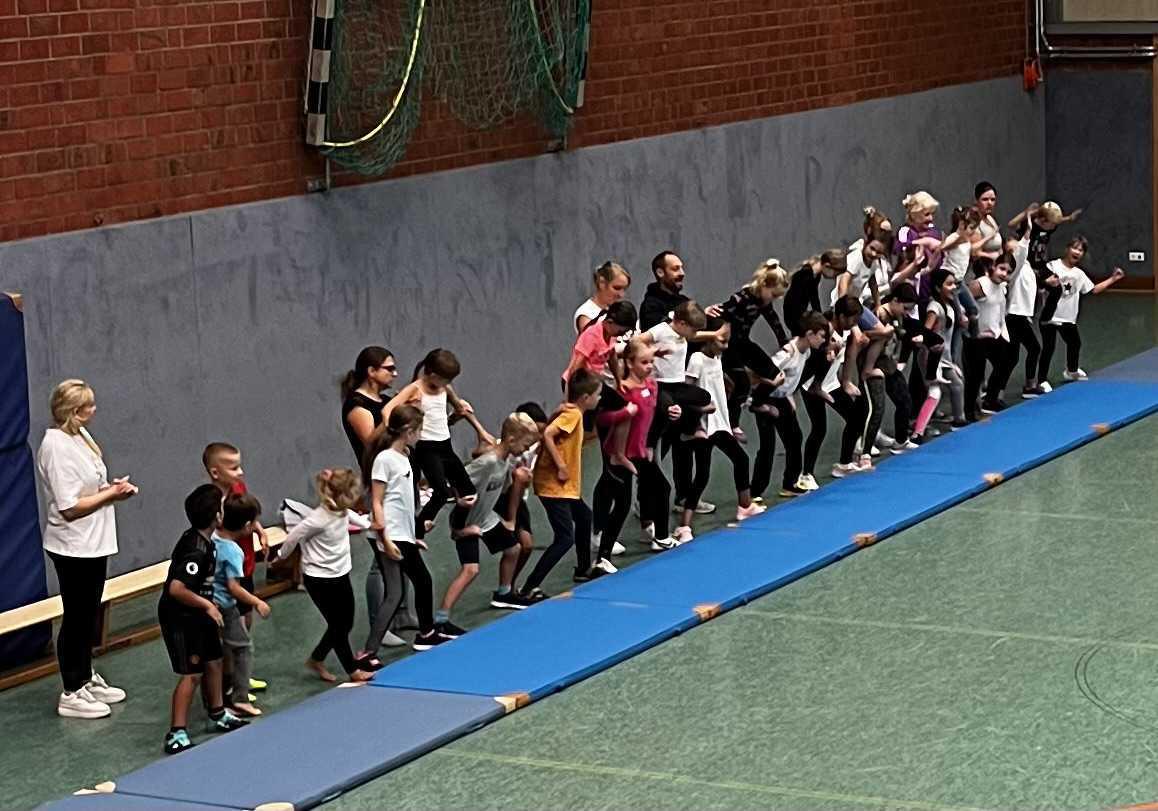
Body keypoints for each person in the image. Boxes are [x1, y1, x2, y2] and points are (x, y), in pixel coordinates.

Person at [37, 379, 135, 719]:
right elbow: (68, 507)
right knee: (77, 617)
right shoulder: (55, 447)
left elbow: (88, 487)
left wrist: (110, 487)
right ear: (72, 412)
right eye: (87, 407)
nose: (94, 411)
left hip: (93, 543)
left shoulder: (79, 437)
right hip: (73, 547)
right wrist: (112, 495)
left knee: (89, 613)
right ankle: (71, 690)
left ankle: (85, 674)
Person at [160, 484, 248, 755]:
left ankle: (218, 713)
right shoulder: (195, 549)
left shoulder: (208, 542)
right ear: (217, 517)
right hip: (182, 617)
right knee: (192, 674)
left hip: (201, 613)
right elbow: (177, 589)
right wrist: (207, 605)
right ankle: (177, 732)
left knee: (215, 661)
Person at [437, 413, 540, 628]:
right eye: (525, 444)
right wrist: (459, 525)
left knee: (513, 549)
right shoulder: (488, 462)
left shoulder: (506, 459)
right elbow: (457, 479)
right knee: (471, 570)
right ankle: (441, 619)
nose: (525, 450)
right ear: (511, 440)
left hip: (486, 517)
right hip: (466, 520)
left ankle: (503, 593)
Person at [274, 468, 375, 682]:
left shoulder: (341, 510)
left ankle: (316, 659)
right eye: (353, 493)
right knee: (338, 625)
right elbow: (293, 537)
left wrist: (369, 525)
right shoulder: (317, 520)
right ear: (339, 495)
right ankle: (353, 671)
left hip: (340, 572)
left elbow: (352, 516)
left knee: (346, 622)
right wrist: (280, 557)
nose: (357, 497)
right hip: (318, 578)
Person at [338, 346, 410, 649]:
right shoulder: (357, 406)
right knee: (381, 559)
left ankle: (400, 613)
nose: (394, 374)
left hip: (397, 482)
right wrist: (393, 408)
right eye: (388, 368)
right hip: (375, 485)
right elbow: (374, 444)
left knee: (401, 551)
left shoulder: (381, 403)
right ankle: (379, 622)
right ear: (371, 371)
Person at [365, 405, 452, 652]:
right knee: (413, 585)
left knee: (398, 592)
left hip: (401, 533)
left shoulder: (405, 455)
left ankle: (371, 651)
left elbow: (402, 502)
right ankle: (422, 634)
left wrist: (413, 535)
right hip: (390, 534)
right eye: (419, 429)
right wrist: (385, 539)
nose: (420, 434)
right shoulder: (384, 459)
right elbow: (377, 501)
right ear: (408, 430)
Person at [385, 349, 491, 541]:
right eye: (445, 379)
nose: (448, 384)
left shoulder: (445, 389)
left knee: (468, 493)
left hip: (445, 445)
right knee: (442, 492)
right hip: (426, 448)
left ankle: (457, 528)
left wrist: (481, 432)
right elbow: (388, 410)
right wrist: (396, 439)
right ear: (432, 374)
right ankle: (418, 532)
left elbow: (462, 409)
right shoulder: (415, 389)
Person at [593, 339, 683, 554]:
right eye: (644, 362)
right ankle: (602, 552)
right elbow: (603, 420)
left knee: (662, 488)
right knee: (620, 504)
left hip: (640, 452)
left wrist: (670, 414)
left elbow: (652, 417)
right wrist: (624, 413)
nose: (650, 366)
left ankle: (661, 537)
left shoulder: (652, 385)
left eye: (651, 362)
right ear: (630, 364)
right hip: (620, 454)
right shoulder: (623, 391)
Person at [519, 369, 602, 599]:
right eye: (597, 395)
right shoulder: (573, 415)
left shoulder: (572, 413)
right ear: (585, 398)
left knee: (584, 517)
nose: (599, 399)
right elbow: (547, 435)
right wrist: (561, 466)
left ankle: (584, 568)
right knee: (565, 537)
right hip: (555, 486)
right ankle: (528, 588)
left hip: (565, 488)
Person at [675, 320, 763, 530]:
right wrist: (700, 412)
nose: (725, 346)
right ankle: (684, 526)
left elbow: (718, 383)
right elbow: (685, 394)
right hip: (704, 427)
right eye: (722, 341)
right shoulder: (696, 360)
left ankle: (745, 506)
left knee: (741, 459)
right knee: (702, 475)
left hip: (720, 424)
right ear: (708, 338)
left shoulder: (717, 358)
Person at [202, 442, 269, 696]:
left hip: (245, 564)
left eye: (240, 466)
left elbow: (249, 512)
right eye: (233, 468)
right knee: (231, 631)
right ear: (215, 472)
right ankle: (230, 683)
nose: (240, 472)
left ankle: (242, 674)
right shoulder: (209, 500)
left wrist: (260, 531)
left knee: (245, 620)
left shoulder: (238, 488)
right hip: (225, 572)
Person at [211, 492, 271, 717]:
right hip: (226, 608)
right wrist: (257, 602)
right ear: (247, 526)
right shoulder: (233, 551)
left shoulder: (213, 538)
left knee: (224, 650)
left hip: (211, 604)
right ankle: (240, 697)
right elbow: (234, 587)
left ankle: (220, 694)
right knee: (243, 648)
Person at [716, 259, 791, 433]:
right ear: (764, 284)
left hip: (743, 343)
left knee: (777, 376)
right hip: (729, 347)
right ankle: (732, 423)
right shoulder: (740, 298)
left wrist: (783, 342)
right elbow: (723, 314)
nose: (774, 299)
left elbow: (774, 320)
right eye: (773, 295)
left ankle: (757, 402)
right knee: (742, 384)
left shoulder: (762, 301)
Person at [1037, 237, 1126, 384]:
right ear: (1067, 249)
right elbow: (1041, 282)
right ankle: (1041, 380)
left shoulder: (1079, 273)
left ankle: (1071, 371)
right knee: (1048, 348)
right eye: (1075, 248)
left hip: (1068, 317)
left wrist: (1113, 279)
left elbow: (1093, 289)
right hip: (1050, 317)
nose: (1077, 252)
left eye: (1081, 250)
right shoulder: (1053, 266)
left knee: (1075, 343)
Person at [801, 297, 869, 482]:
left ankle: (844, 464)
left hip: (830, 384)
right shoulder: (826, 332)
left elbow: (848, 357)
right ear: (840, 315)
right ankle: (805, 474)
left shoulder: (846, 333)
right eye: (852, 319)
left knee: (856, 417)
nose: (854, 324)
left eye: (857, 320)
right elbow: (813, 359)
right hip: (811, 386)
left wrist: (846, 382)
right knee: (819, 428)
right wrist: (827, 352)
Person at [562, 300, 636, 469]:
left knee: (625, 409)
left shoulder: (610, 335)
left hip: (596, 384)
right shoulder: (591, 336)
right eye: (620, 330)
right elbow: (574, 368)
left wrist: (619, 381)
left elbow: (612, 357)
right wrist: (569, 401)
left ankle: (618, 454)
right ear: (609, 322)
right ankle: (569, 455)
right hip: (580, 386)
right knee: (583, 427)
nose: (621, 334)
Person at [762, 312, 830, 497]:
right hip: (765, 398)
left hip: (781, 398)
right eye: (822, 336)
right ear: (809, 334)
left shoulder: (806, 351)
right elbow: (764, 374)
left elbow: (795, 378)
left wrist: (789, 395)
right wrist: (759, 402)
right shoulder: (787, 353)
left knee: (795, 438)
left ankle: (790, 484)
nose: (823, 341)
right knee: (767, 445)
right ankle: (754, 493)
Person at [914, 269, 967, 437]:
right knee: (934, 392)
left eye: (954, 284)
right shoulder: (934, 308)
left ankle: (959, 420)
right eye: (949, 284)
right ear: (938, 288)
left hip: (944, 358)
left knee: (957, 384)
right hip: (931, 357)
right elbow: (925, 333)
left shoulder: (950, 305)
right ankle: (918, 433)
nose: (953, 288)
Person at [964, 254, 1016, 418]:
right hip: (977, 338)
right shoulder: (980, 285)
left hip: (993, 335)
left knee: (1007, 361)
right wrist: (967, 322)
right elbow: (962, 302)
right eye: (1002, 269)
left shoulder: (1001, 287)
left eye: (1008, 272)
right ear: (993, 266)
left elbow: (999, 312)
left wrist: (1003, 332)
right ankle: (969, 412)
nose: (1003, 274)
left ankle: (990, 400)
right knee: (975, 376)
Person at [1003, 226, 1045, 398]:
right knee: (1032, 349)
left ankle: (996, 390)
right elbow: (1022, 251)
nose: (1017, 251)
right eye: (1011, 250)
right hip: (1014, 316)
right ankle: (1028, 386)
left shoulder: (1026, 266)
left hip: (1021, 316)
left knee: (1012, 357)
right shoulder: (1015, 267)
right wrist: (1028, 231)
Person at [574, 261, 631, 334]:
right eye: (617, 288)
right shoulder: (586, 313)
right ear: (602, 284)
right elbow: (590, 341)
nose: (621, 294)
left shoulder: (615, 310)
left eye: (624, 289)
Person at [639, 251, 689, 332]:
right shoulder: (650, 306)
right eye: (675, 269)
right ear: (660, 272)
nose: (682, 273)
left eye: (682, 268)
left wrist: (704, 316)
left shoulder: (685, 301)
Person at [972, 182, 1003, 261]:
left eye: (992, 200)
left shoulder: (990, 218)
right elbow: (975, 253)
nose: (989, 203)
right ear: (976, 201)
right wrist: (993, 257)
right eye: (985, 199)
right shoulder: (974, 222)